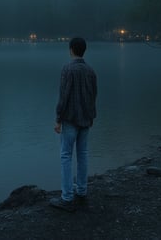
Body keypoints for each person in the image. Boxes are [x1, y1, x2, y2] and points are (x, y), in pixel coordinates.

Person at [50, 37, 97, 212]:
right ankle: (82, 190)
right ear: (83, 50)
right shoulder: (90, 71)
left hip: (70, 119)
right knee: (83, 154)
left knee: (65, 156)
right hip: (85, 119)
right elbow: (94, 96)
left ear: (71, 50)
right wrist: (91, 116)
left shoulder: (67, 69)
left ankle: (67, 197)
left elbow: (64, 97)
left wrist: (58, 119)